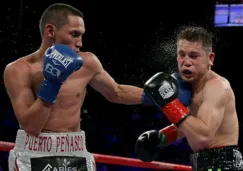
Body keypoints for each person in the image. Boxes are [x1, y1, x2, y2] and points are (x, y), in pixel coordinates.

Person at [3, 3, 191, 171]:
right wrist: (52, 83)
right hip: (34, 152)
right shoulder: (19, 70)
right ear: (51, 31)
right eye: (74, 34)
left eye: (82, 35)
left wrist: (157, 95)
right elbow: (31, 127)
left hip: (74, 149)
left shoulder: (88, 62)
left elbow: (116, 92)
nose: (80, 43)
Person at [135, 26, 243, 170]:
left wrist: (170, 104)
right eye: (182, 54)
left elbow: (202, 137)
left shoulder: (217, 86)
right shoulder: (189, 86)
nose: (186, 61)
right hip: (205, 163)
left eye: (193, 55)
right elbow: (189, 126)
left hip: (222, 164)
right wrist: (162, 137)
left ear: (210, 58)